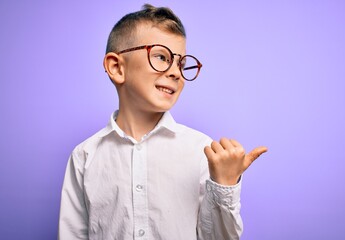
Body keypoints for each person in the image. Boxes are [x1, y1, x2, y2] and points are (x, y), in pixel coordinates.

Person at [58, 4, 267, 240]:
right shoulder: (84, 156)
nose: (176, 73)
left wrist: (225, 185)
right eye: (161, 57)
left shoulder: (202, 151)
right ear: (116, 67)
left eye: (181, 63)